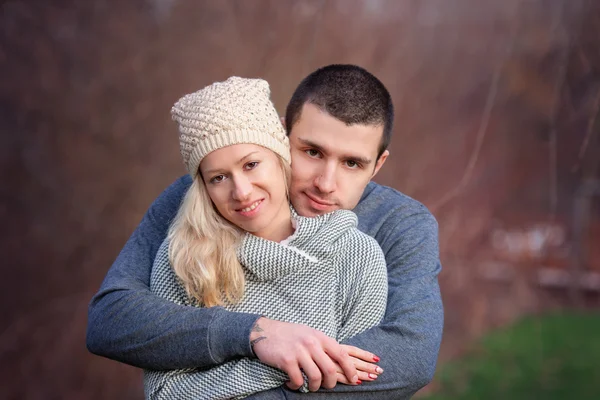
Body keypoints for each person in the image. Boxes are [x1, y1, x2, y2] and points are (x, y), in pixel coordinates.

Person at [87, 64, 444, 399]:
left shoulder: (399, 224)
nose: (325, 183)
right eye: (312, 151)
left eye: (353, 163)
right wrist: (253, 333)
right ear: (283, 133)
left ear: (378, 164)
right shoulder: (204, 198)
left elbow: (408, 357)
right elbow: (111, 319)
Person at [143, 76, 388, 399]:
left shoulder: (359, 256)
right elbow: (164, 393)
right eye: (218, 178)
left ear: (280, 154)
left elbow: (354, 385)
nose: (241, 192)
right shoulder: (186, 257)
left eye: (252, 164)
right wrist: (276, 358)